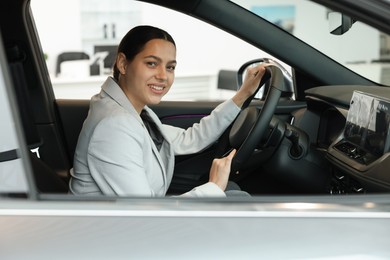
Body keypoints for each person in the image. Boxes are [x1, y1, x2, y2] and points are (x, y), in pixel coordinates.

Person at [69, 25, 267, 197]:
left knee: (234, 194)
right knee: (237, 199)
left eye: (170, 67)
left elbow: (189, 139)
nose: (163, 76)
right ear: (123, 63)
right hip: (115, 235)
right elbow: (146, 216)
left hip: (136, 224)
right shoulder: (114, 126)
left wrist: (242, 95)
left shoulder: (131, 111)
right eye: (151, 63)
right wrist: (213, 186)